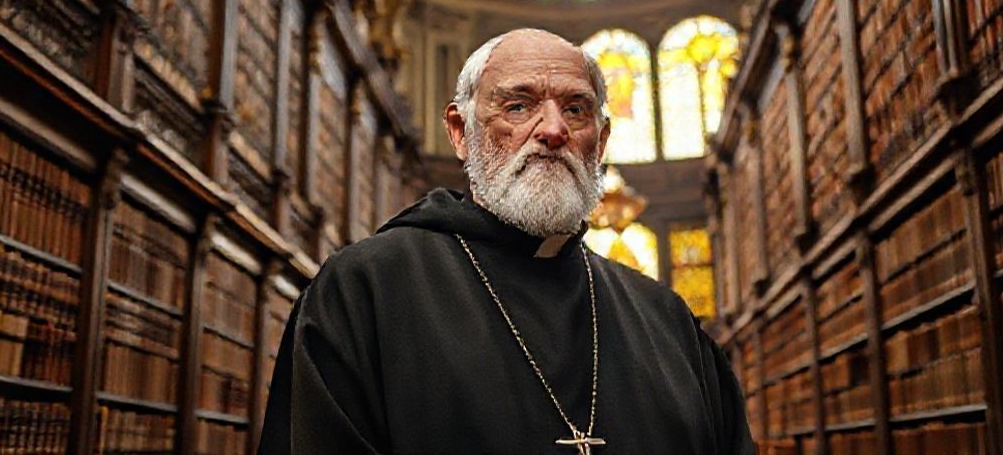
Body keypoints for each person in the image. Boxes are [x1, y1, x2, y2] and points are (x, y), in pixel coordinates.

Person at [258, 29, 755, 454]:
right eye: (518, 106)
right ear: (460, 132)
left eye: (577, 110)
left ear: (599, 142)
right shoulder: (362, 290)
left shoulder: (666, 319)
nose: (553, 130)